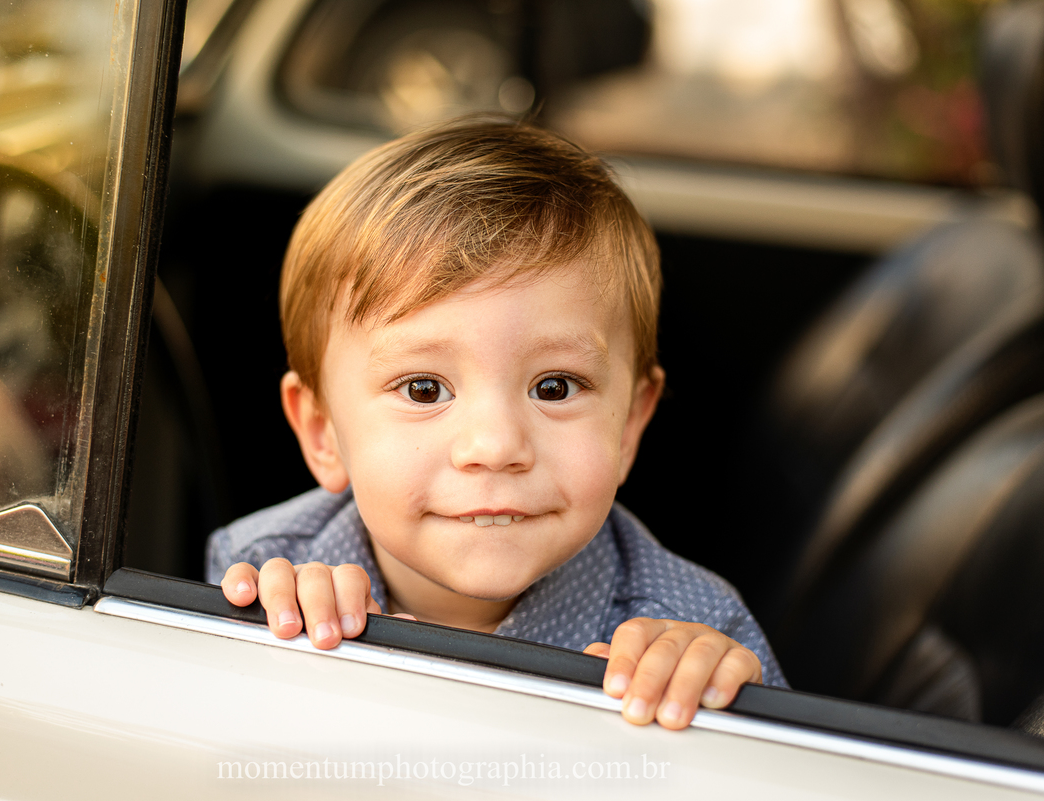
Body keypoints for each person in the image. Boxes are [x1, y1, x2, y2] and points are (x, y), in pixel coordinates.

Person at [206, 116, 787, 729]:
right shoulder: (263, 573)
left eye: (555, 387)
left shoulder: (692, 633)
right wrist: (286, 659)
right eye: (424, 389)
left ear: (631, 424)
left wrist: (725, 717)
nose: (495, 446)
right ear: (322, 433)